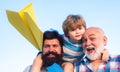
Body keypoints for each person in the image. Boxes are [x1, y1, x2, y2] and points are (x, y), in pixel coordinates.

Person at [32, 15, 109, 72]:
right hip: (56, 58)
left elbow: (94, 48)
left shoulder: (84, 42)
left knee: (68, 67)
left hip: (67, 63)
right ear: (67, 33)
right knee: (38, 59)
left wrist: (105, 51)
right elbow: (51, 42)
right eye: (73, 30)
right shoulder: (63, 38)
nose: (77, 32)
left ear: (84, 28)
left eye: (80, 28)